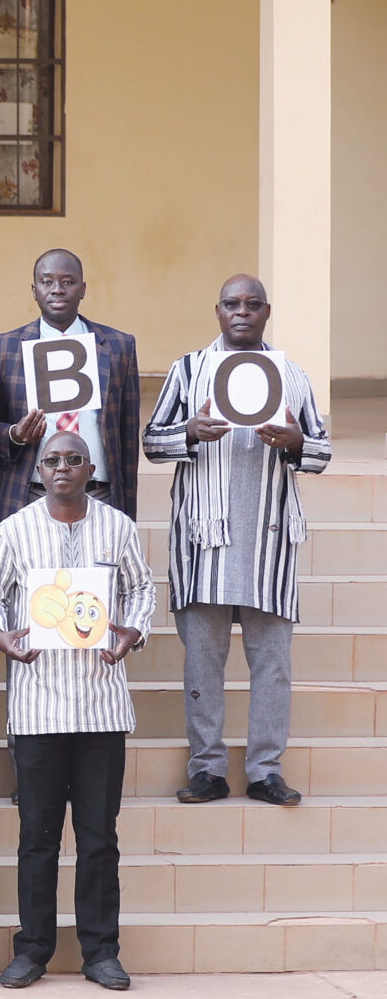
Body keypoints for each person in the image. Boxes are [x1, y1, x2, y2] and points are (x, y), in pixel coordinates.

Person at [0, 431, 153, 991]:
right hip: (37, 710)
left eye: (74, 460)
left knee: (100, 836)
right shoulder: (14, 529)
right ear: (38, 470)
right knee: (37, 836)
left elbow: (143, 589)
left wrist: (133, 630)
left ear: (90, 468)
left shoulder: (117, 526)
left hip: (101, 708)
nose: (62, 468)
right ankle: (33, 949)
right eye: (52, 460)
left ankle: (101, 952)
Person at [147, 274, 333, 807]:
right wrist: (189, 431)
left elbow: (321, 452)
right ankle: (207, 769)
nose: (242, 312)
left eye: (253, 304)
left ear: (267, 312)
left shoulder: (291, 375)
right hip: (203, 543)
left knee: (272, 664)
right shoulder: (187, 371)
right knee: (202, 661)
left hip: (268, 545)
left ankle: (265, 771)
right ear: (218, 310)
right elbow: (152, 444)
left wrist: (297, 440)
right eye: (233, 304)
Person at [0, 249, 143, 523]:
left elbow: (126, 438)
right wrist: (16, 435)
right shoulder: (5, 348)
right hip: (30, 494)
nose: (57, 290)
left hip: (99, 494)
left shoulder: (118, 347)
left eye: (68, 282)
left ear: (83, 289)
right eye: (47, 282)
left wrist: (126, 512)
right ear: (34, 290)